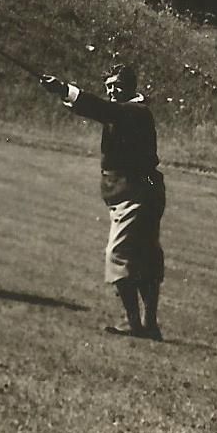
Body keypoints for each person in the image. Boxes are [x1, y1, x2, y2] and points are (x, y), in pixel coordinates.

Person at [43, 59, 167, 338]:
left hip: (136, 192)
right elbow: (104, 109)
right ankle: (148, 325)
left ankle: (135, 323)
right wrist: (63, 93)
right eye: (108, 87)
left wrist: (65, 89)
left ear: (130, 88)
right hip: (140, 190)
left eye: (117, 86)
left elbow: (103, 109)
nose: (112, 91)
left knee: (119, 254)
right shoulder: (126, 111)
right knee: (145, 257)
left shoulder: (135, 111)